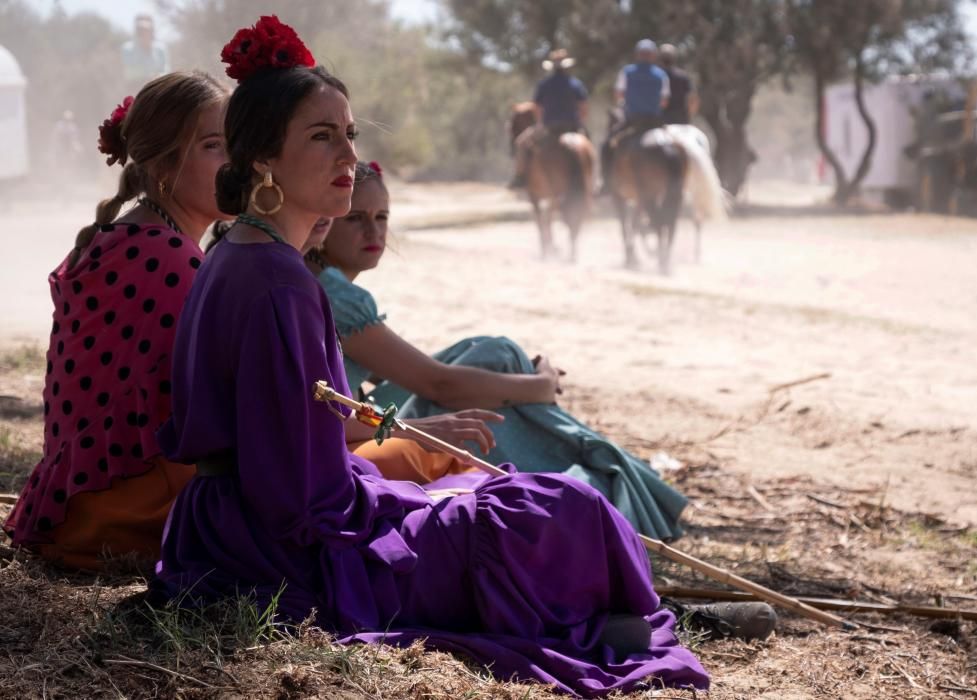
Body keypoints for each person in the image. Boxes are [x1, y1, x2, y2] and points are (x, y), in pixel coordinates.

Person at [152, 16, 710, 697]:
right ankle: (608, 617)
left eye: (350, 135)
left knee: (512, 494)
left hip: (227, 525)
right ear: (263, 158)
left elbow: (297, 437)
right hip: (276, 550)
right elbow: (296, 498)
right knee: (558, 507)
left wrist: (410, 481)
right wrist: (398, 511)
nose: (346, 158)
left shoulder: (242, 253)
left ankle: (611, 612)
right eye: (322, 137)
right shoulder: (276, 280)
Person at [315, 160, 690, 540]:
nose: (373, 230)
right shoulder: (334, 292)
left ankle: (599, 469)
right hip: (344, 447)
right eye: (355, 218)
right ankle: (597, 478)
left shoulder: (326, 286)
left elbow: (397, 369)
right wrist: (540, 385)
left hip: (350, 429)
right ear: (325, 222)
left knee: (489, 352)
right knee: (495, 357)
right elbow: (439, 385)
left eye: (382, 217)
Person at [3, 72, 228, 570]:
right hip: (132, 504)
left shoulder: (128, 236)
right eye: (214, 145)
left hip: (80, 499)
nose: (235, 162)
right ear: (164, 163)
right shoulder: (168, 256)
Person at [509, 49, 589, 189]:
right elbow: (583, 108)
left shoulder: (544, 84)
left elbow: (537, 108)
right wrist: (580, 121)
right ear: (566, 67)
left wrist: (541, 123)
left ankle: (520, 177)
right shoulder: (576, 84)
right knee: (589, 144)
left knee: (521, 143)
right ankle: (594, 180)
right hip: (573, 126)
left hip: (550, 127)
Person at [600, 39, 670, 195]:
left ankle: (606, 183)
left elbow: (619, 94)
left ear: (638, 55)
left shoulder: (627, 72)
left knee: (606, 146)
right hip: (654, 121)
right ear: (653, 56)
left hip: (632, 121)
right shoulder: (661, 74)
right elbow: (664, 101)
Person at [121, 15, 170, 95]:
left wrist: (157, 78)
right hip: (135, 86)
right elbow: (129, 71)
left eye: (147, 30)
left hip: (157, 86)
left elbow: (165, 69)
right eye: (141, 31)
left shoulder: (161, 49)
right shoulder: (127, 49)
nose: (144, 34)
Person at [659, 44, 698, 125]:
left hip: (660, 121)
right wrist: (689, 116)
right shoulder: (683, 76)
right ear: (674, 58)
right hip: (681, 120)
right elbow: (693, 99)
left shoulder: (656, 76)